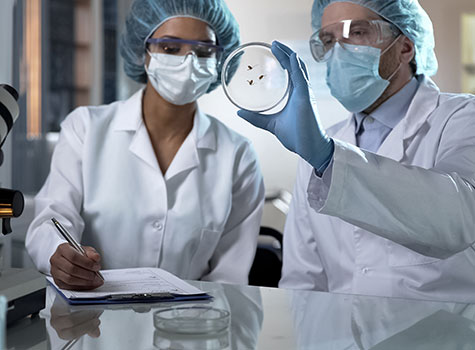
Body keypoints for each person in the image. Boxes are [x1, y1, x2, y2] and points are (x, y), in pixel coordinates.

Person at [238, 0, 475, 302]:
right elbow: (302, 280)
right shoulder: (321, 144)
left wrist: (329, 159)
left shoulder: (463, 118)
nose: (339, 50)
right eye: (328, 40)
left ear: (405, 48)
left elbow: (459, 219)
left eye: (357, 32)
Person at [26, 0, 265, 291]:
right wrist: (60, 252)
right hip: (91, 324)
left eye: (203, 51)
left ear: (219, 62)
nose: (188, 62)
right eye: (170, 48)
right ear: (144, 52)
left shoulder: (237, 155)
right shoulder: (86, 129)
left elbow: (230, 279)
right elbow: (52, 219)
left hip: (190, 328)